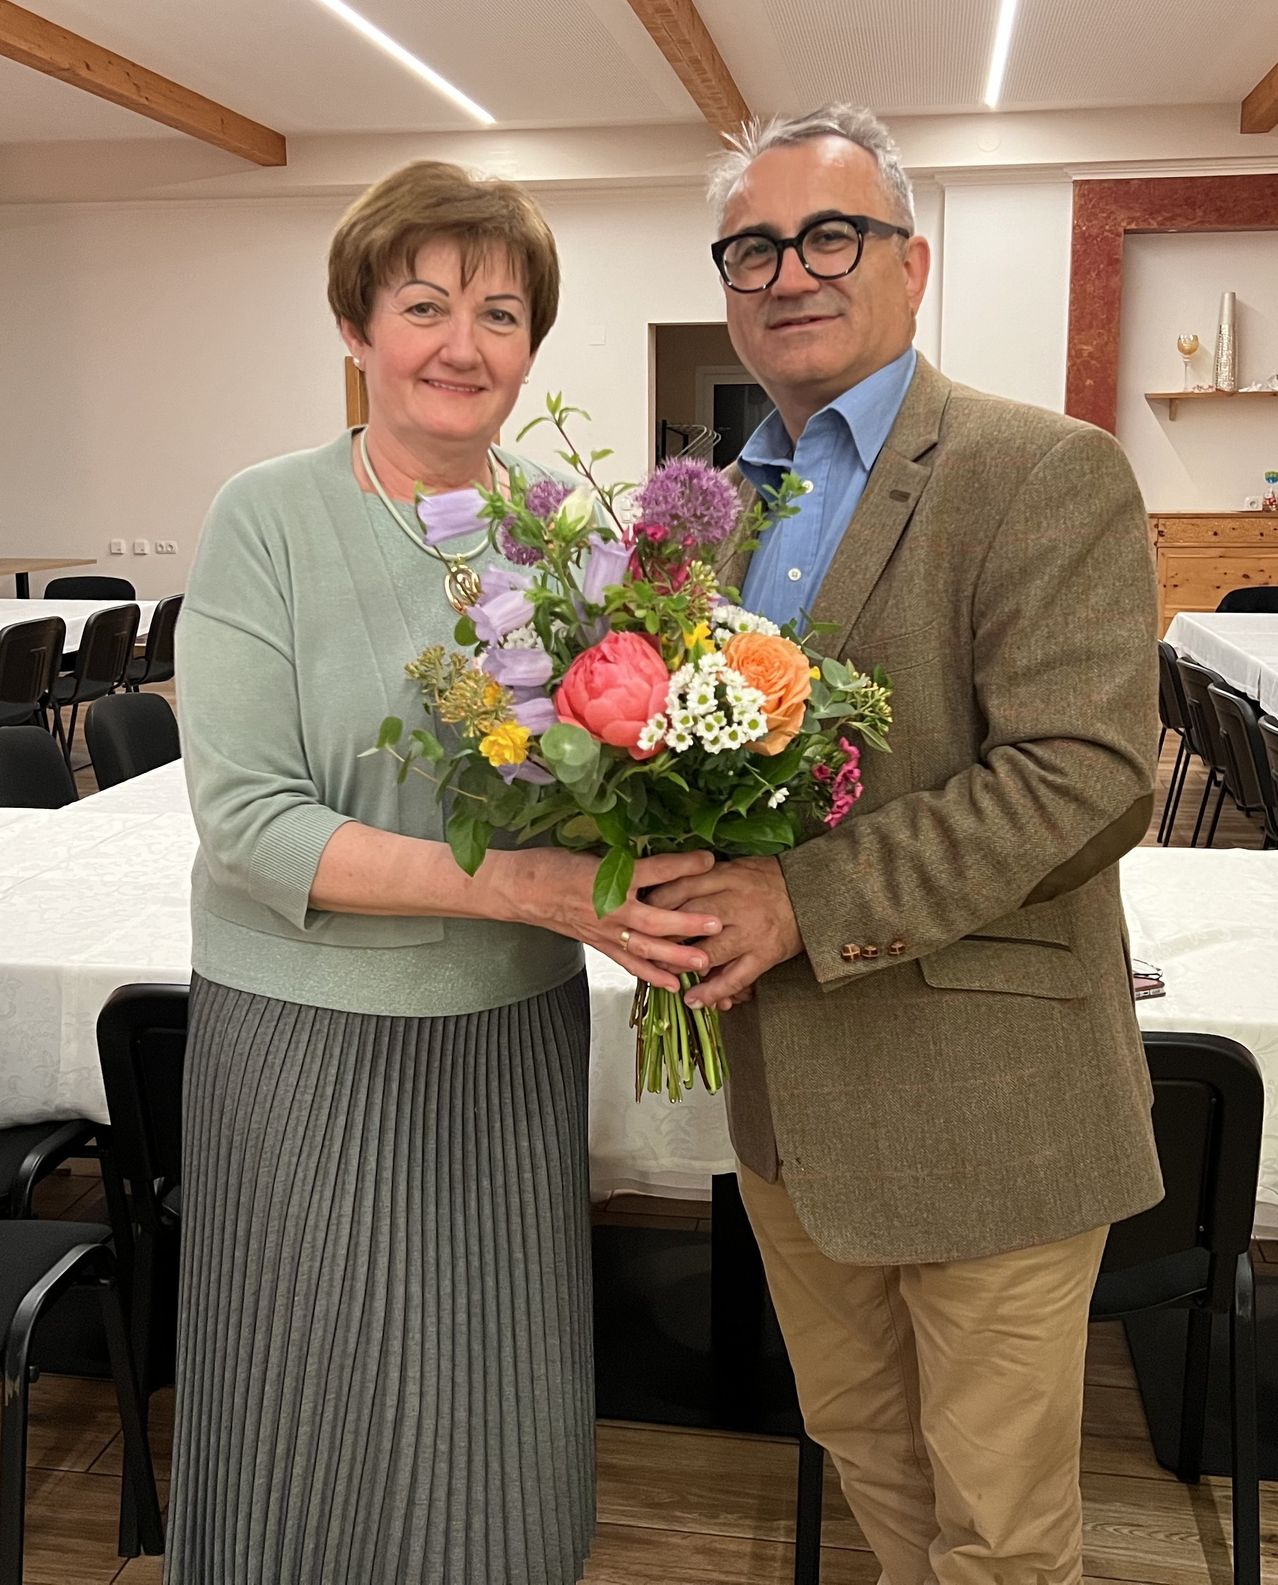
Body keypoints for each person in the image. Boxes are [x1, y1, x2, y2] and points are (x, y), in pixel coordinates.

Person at [169, 159, 721, 1585]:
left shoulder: (571, 529)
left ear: (531, 345)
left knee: (494, 1398)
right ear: (355, 328)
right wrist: (518, 888)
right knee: (307, 1395)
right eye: (423, 303)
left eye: (500, 311)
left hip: (503, 1032)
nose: (462, 343)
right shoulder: (265, 516)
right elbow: (249, 818)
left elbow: (618, 774)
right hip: (299, 1040)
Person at [649, 106, 1163, 1584]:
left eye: (830, 235)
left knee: (1000, 1532)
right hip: (787, 1103)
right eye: (752, 245)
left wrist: (793, 902)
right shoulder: (706, 518)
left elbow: (1082, 776)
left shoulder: (1035, 469)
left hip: (982, 1100)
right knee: (869, 1455)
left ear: (909, 261)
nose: (788, 270)